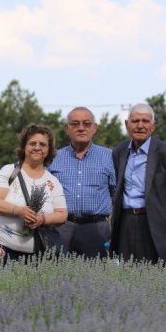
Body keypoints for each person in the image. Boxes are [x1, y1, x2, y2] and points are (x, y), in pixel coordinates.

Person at [110, 104, 166, 266]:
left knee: (156, 284)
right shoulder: (119, 151)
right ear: (126, 124)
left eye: (145, 121)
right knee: (127, 281)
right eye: (135, 121)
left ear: (153, 126)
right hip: (125, 224)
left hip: (156, 227)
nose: (140, 125)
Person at [0, 124, 68, 263]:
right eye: (32, 143)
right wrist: (18, 211)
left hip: (40, 255)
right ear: (24, 147)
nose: (37, 147)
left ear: (48, 150)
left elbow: (62, 214)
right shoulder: (10, 171)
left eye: (43, 144)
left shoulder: (52, 181)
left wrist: (42, 220)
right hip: (5, 251)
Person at [48, 107, 116, 259]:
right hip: (61, 228)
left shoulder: (109, 157)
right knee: (57, 276)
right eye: (75, 124)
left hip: (96, 229)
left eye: (86, 124)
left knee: (96, 278)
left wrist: (116, 231)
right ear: (67, 128)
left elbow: (116, 196)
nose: (81, 128)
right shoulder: (53, 158)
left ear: (94, 128)